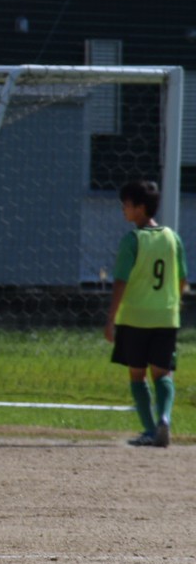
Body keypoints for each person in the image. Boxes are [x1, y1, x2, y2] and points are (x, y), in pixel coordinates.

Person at [105, 178, 188, 448]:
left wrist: (111, 319)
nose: (123, 209)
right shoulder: (172, 238)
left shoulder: (132, 240)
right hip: (166, 317)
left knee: (137, 374)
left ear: (140, 208)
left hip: (135, 318)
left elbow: (120, 282)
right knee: (163, 374)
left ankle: (150, 430)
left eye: (126, 205)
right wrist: (173, 302)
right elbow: (183, 280)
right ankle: (164, 418)